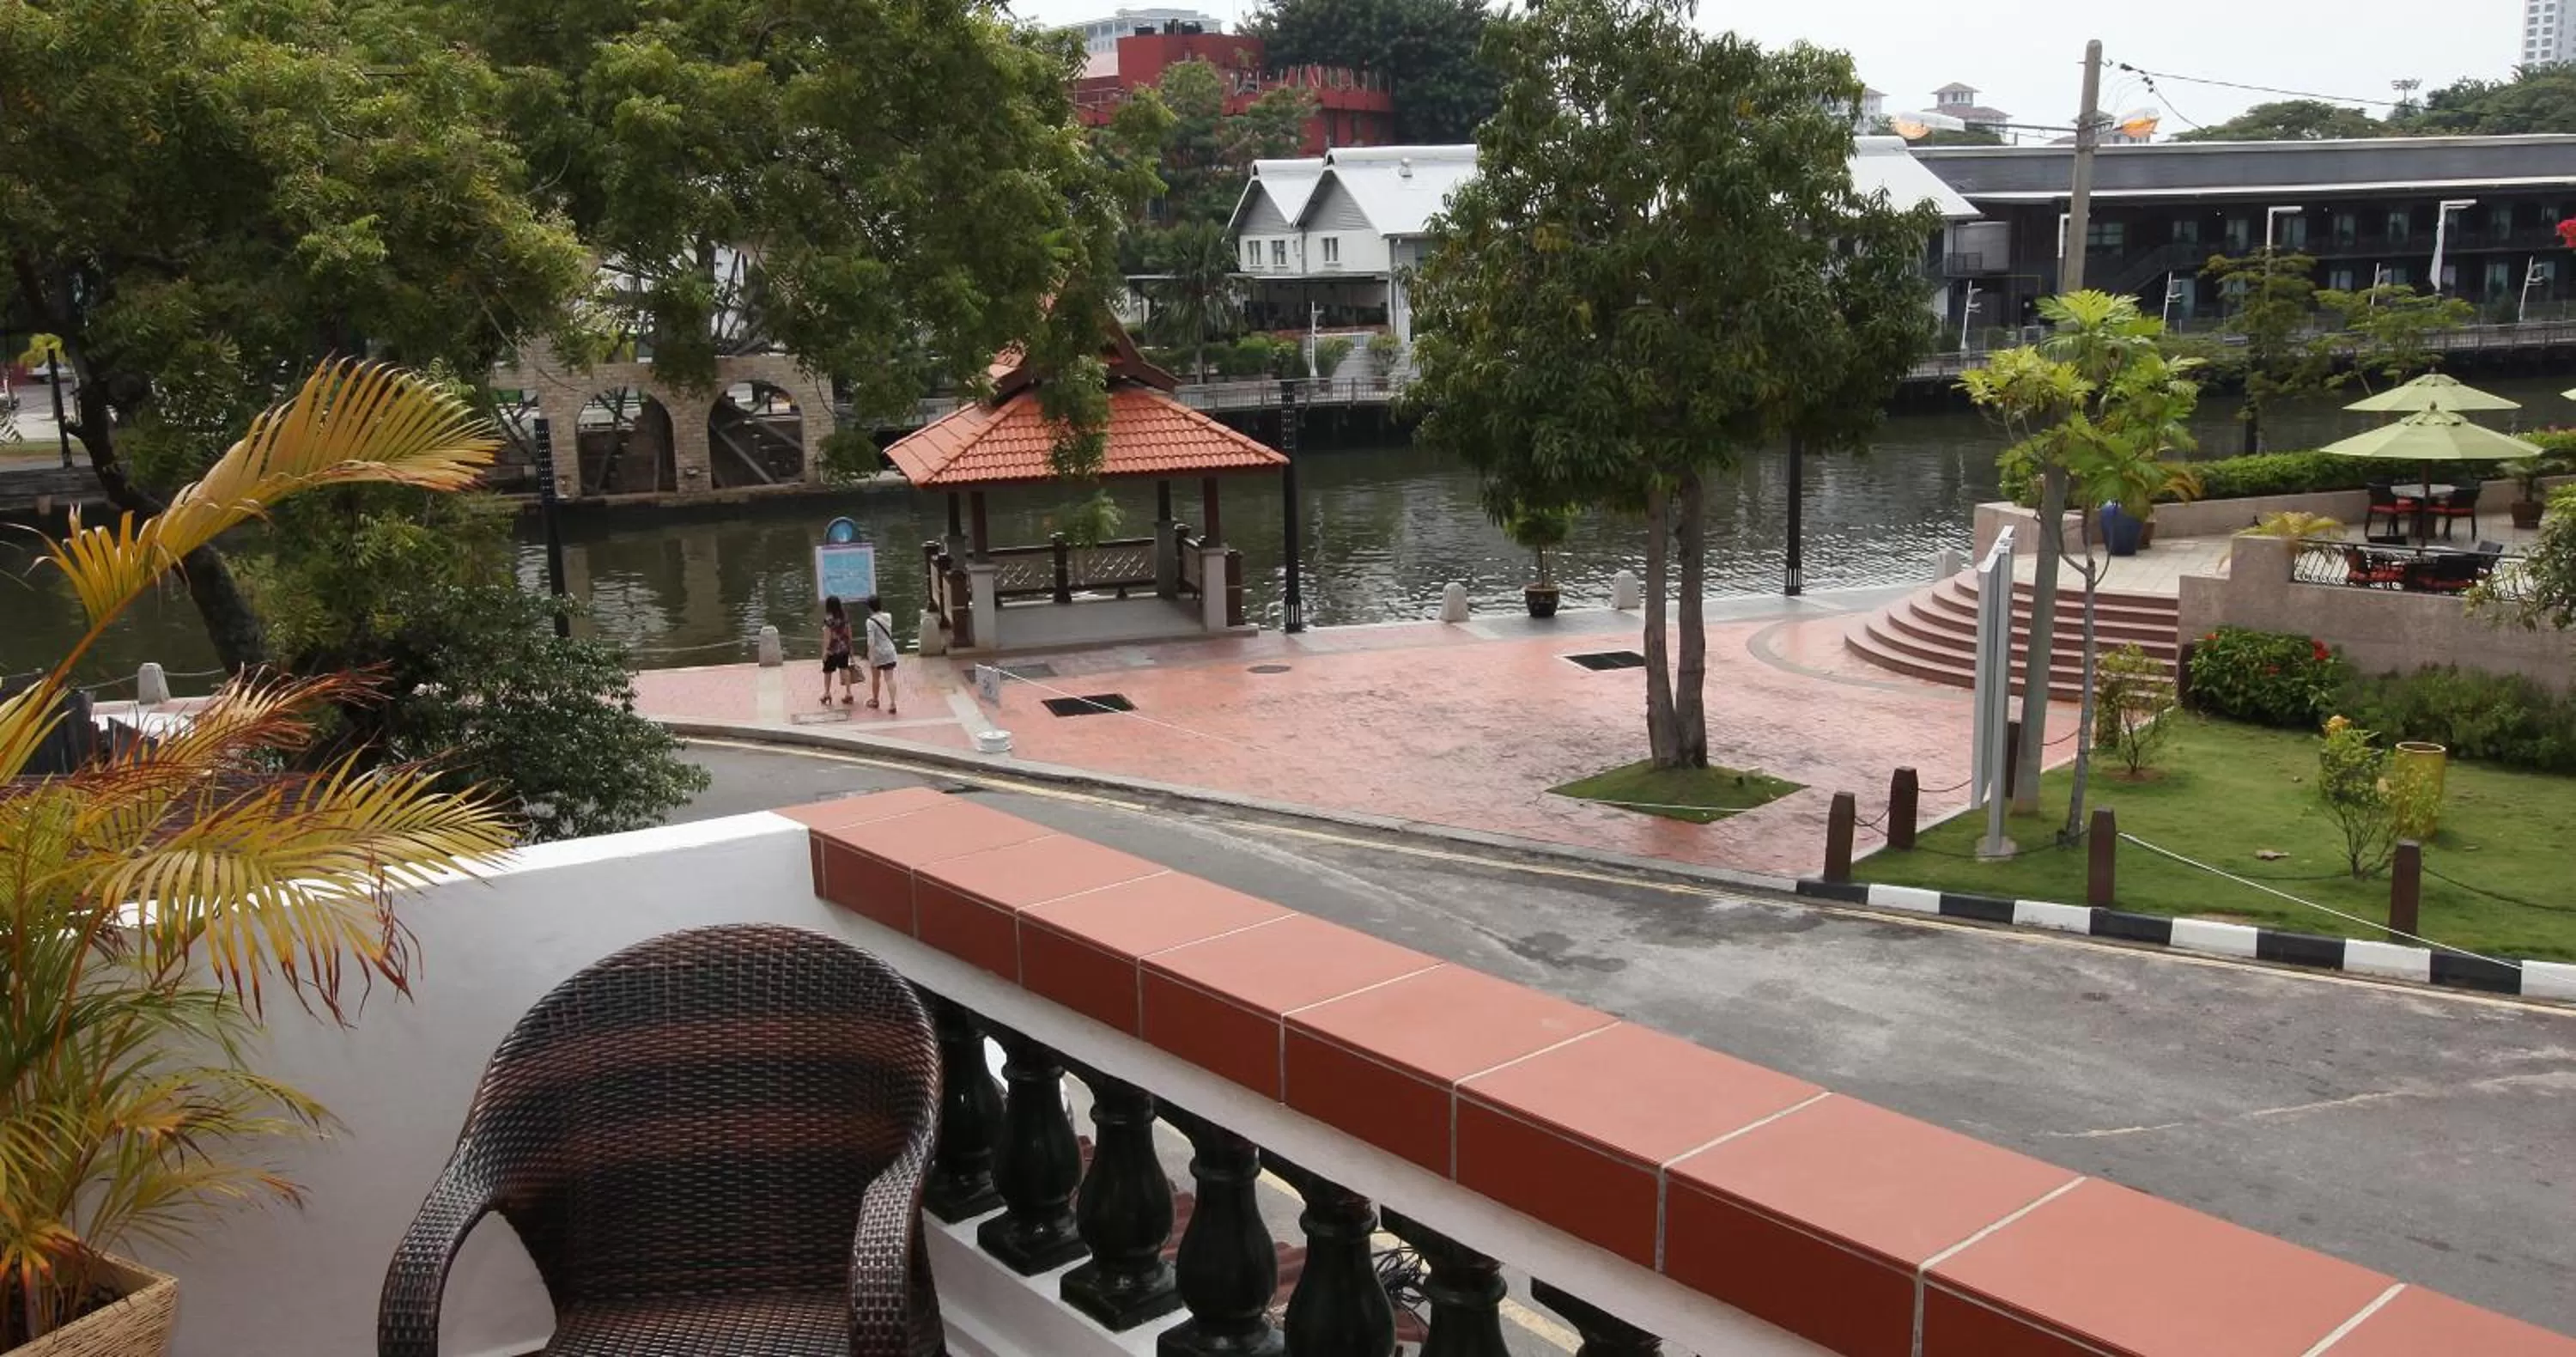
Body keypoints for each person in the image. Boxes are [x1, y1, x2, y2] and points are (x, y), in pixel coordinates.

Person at [864, 595, 900, 715]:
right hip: (890, 651)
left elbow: (871, 641)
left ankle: (875, 700)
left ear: (870, 607)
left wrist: (870, 654)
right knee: (889, 678)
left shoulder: (870, 622)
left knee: (876, 678)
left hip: (878, 653)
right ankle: (893, 703)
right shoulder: (888, 616)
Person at [820, 594, 854, 705]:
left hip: (832, 650)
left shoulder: (828, 619)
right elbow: (849, 633)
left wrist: (825, 651)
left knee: (828, 671)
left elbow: (827, 637)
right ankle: (848, 692)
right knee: (844, 669)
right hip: (844, 648)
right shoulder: (845, 617)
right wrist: (850, 647)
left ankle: (827, 693)